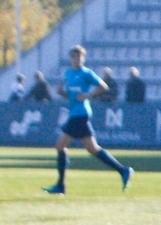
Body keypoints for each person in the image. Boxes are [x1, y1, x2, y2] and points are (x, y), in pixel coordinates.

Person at [43, 45, 133, 196]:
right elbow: (71, 97)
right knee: (92, 148)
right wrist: (61, 93)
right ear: (70, 58)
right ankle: (123, 170)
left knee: (60, 145)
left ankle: (60, 186)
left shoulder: (86, 73)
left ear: (83, 58)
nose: (76, 59)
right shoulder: (68, 74)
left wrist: (88, 96)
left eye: (79, 56)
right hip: (75, 113)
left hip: (81, 114)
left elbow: (103, 87)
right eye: (74, 56)